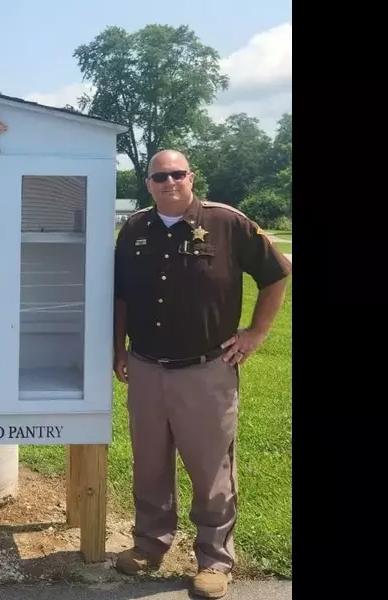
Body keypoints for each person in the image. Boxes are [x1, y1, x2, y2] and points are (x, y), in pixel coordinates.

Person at [111, 150, 290, 599]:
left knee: (211, 469)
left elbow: (276, 274)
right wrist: (118, 349)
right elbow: (120, 297)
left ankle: (213, 559)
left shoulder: (227, 223)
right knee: (149, 465)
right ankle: (150, 544)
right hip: (147, 368)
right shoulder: (133, 229)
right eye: (159, 176)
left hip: (206, 370)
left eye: (177, 173)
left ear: (191, 177)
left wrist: (255, 333)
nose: (169, 181)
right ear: (148, 183)